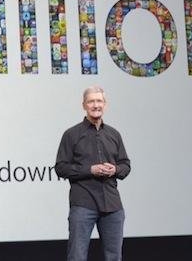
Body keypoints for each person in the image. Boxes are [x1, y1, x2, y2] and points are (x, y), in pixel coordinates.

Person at [55, 86, 131, 261]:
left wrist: (115, 169)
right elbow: (61, 168)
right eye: (91, 101)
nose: (96, 105)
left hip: (112, 205)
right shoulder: (71, 134)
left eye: (99, 101)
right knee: (77, 256)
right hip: (83, 203)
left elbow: (125, 165)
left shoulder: (114, 134)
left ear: (105, 104)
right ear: (84, 105)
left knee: (114, 257)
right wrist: (90, 170)